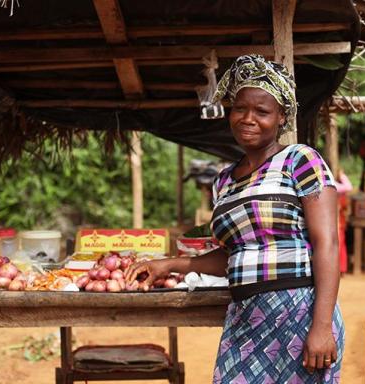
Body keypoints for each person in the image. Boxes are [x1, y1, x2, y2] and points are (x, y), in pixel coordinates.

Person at [126, 54, 345, 383]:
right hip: (246, 319)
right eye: (240, 108)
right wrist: (168, 265)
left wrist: (322, 325)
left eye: (262, 111)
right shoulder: (224, 181)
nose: (248, 118)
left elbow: (326, 242)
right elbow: (236, 255)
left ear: (282, 116)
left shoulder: (301, 160)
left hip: (299, 313)